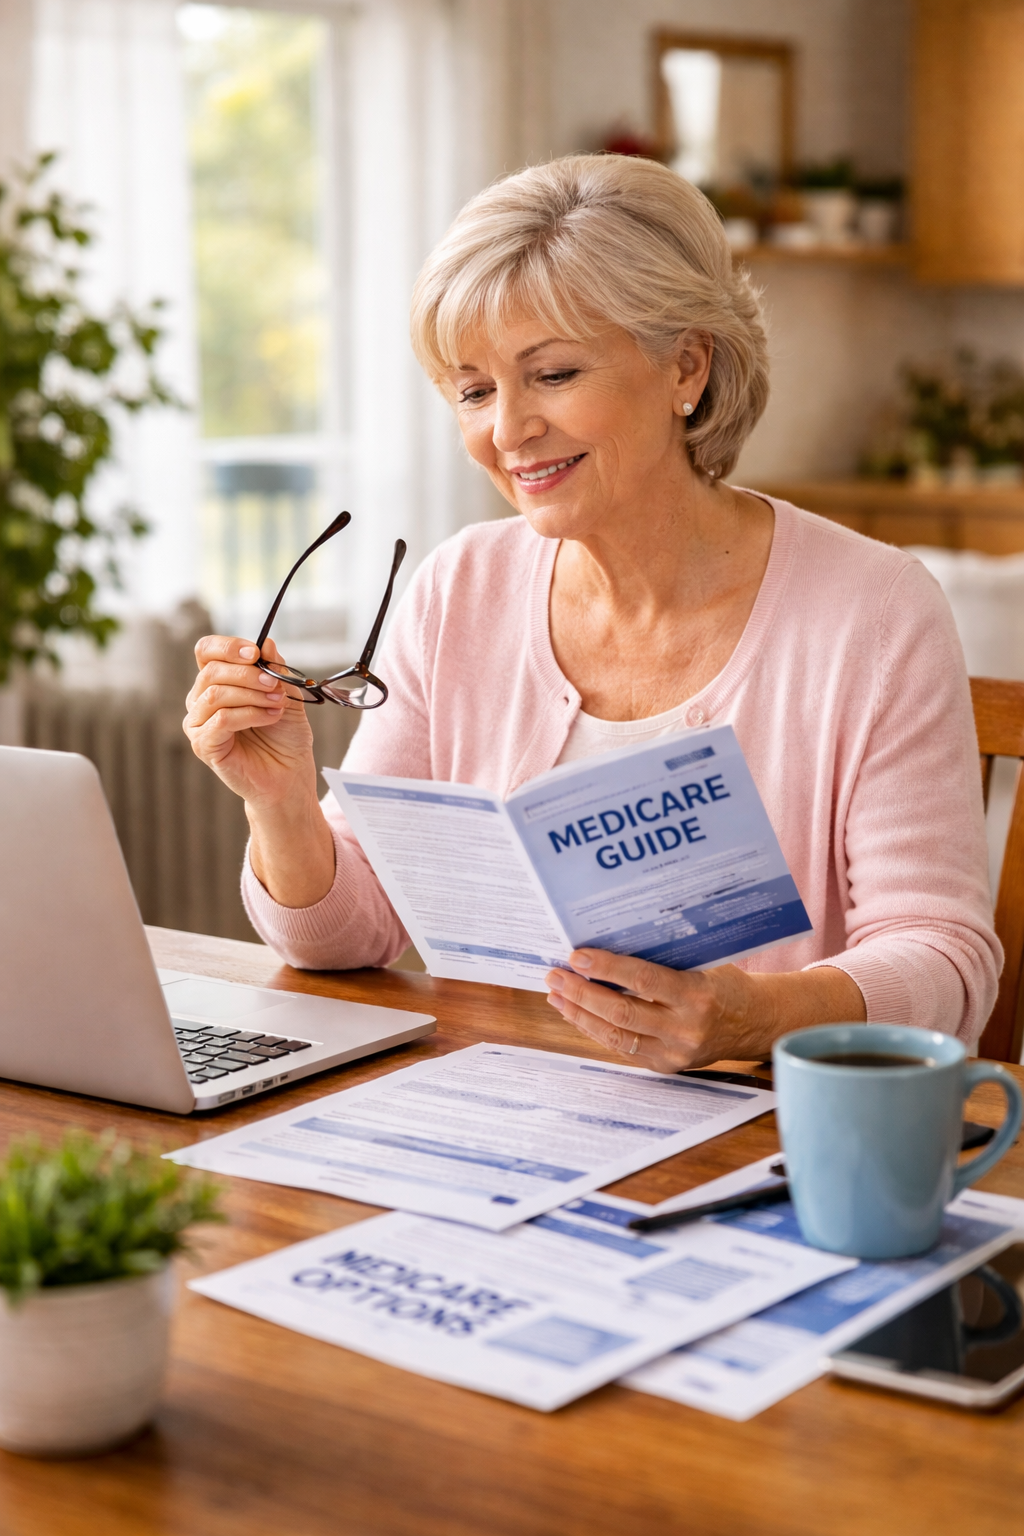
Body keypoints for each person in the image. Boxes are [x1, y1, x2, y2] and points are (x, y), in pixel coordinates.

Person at [184, 154, 1000, 1071]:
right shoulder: (462, 588)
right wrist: (284, 803)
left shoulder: (875, 612)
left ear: (686, 366)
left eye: (555, 374)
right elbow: (351, 934)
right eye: (475, 389)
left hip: (762, 1139)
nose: (508, 429)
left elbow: (945, 962)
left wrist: (751, 1016)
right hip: (501, 1114)